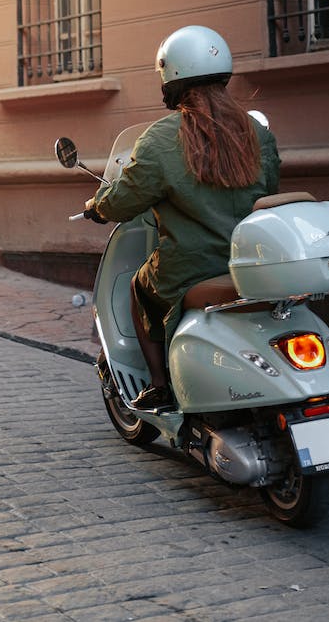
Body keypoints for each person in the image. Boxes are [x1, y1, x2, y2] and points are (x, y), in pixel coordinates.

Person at [84, 25, 281, 411]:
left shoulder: (161, 139)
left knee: (140, 287)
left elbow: (125, 199)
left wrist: (98, 206)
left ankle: (159, 385)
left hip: (192, 266)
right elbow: (269, 189)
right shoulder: (257, 131)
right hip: (251, 259)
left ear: (170, 79)